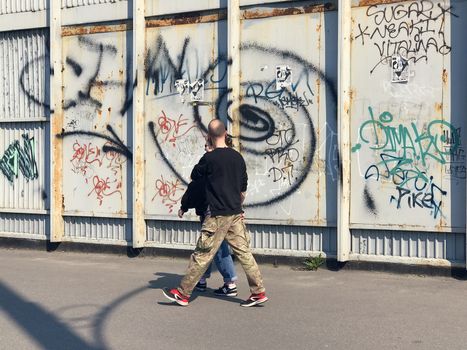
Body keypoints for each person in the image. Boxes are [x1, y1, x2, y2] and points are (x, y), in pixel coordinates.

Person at [162, 119, 268, 307]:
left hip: (216, 214)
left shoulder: (208, 159)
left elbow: (195, 177)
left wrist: (209, 153)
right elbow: (243, 189)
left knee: (202, 254)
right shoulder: (237, 158)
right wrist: (236, 204)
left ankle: (183, 293)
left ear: (209, 137)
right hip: (235, 212)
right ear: (226, 134)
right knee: (244, 253)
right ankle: (258, 292)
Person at [177, 137, 238, 297]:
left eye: (208, 144)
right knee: (211, 247)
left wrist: (184, 205)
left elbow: (195, 186)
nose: (205, 147)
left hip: (212, 212)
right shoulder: (227, 162)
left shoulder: (210, 164)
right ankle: (203, 280)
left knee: (213, 248)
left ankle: (229, 282)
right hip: (225, 210)